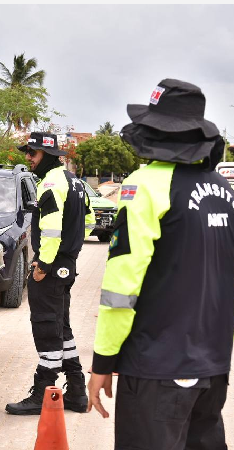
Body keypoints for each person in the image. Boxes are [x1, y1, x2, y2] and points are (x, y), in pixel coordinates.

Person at [88, 79, 234, 449]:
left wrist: (103, 361)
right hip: (213, 367)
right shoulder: (225, 190)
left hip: (157, 368)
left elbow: (122, 285)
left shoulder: (144, 185)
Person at [6, 132, 94, 415]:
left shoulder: (51, 185)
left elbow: (52, 231)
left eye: (32, 153)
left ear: (49, 156)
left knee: (46, 327)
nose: (28, 159)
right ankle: (77, 391)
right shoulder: (75, 182)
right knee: (61, 327)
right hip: (66, 266)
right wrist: (72, 252)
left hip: (51, 269)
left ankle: (43, 392)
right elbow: (89, 220)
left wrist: (43, 265)